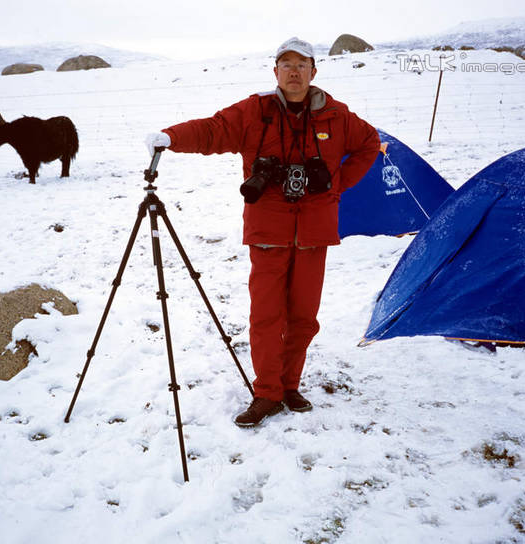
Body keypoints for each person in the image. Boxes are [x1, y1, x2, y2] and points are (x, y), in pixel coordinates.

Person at [145, 37, 380, 427]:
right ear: (275, 71)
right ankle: (268, 392)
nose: (293, 72)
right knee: (267, 316)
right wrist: (171, 138)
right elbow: (212, 131)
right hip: (268, 228)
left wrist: (336, 184)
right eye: (286, 64)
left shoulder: (336, 115)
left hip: (314, 231)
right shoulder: (255, 111)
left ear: (313, 71)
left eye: (301, 65)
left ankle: (290, 385)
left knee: (303, 317)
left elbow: (370, 144)